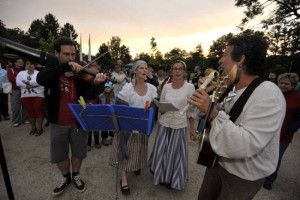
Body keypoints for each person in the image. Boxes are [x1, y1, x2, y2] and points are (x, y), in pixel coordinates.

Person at [188, 34, 286, 200]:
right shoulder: (229, 87)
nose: (220, 60)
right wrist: (204, 97)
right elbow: (204, 115)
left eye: (225, 54)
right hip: (216, 163)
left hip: (243, 176)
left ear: (240, 59)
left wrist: (211, 111)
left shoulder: (268, 93)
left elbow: (247, 144)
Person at [36, 37, 106, 196]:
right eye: (66, 54)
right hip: (58, 122)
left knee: (78, 153)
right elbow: (41, 79)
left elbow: (90, 94)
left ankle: (76, 175)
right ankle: (65, 177)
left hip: (78, 121)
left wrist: (97, 84)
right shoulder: (51, 71)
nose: (71, 58)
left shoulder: (79, 74)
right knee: (60, 154)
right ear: (56, 53)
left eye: (73, 55)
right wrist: (63, 67)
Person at [109, 60, 157, 195]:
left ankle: (135, 165)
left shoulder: (152, 88)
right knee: (124, 149)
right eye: (141, 68)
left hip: (142, 125)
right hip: (127, 125)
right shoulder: (128, 88)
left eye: (146, 68)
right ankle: (123, 179)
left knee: (138, 149)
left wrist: (149, 118)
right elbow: (119, 105)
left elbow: (153, 107)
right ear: (135, 71)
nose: (144, 70)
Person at [149, 60, 196, 190]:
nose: (177, 71)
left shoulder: (190, 87)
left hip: (179, 125)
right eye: (175, 69)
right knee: (162, 151)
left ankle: (171, 179)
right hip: (165, 123)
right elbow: (162, 105)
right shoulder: (166, 87)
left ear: (185, 72)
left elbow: (191, 110)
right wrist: (162, 108)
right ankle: (160, 174)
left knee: (175, 154)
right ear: (171, 72)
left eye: (180, 69)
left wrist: (192, 128)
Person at [263, 73, 300, 190]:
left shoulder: (297, 99)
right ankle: (258, 174)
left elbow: (298, 121)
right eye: (281, 83)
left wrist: (285, 131)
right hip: (266, 130)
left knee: (275, 158)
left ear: (293, 85)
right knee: (262, 154)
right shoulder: (273, 93)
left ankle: (269, 180)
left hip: (283, 136)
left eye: (286, 84)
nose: (282, 85)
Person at [16, 61, 45, 136]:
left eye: (31, 64)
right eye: (27, 64)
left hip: (38, 95)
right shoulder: (21, 73)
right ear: (25, 65)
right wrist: (28, 86)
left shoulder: (39, 73)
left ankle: (39, 128)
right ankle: (33, 128)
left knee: (38, 111)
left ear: (35, 65)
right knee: (30, 112)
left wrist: (27, 82)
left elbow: (41, 82)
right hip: (25, 96)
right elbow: (18, 82)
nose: (29, 65)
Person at [7, 57, 29, 127]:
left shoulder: (24, 71)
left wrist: (17, 78)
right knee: (15, 107)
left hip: (24, 89)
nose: (21, 63)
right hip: (15, 90)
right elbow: (11, 79)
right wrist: (20, 79)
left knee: (25, 106)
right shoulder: (10, 70)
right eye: (19, 61)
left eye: (22, 62)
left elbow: (26, 79)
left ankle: (25, 119)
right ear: (15, 62)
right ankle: (16, 121)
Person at [99, 81, 116, 145]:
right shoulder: (101, 96)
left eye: (108, 87)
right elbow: (100, 104)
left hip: (111, 113)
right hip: (105, 113)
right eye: (105, 87)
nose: (107, 89)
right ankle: (104, 138)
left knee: (112, 126)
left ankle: (112, 137)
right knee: (105, 126)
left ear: (111, 88)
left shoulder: (114, 96)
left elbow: (116, 104)